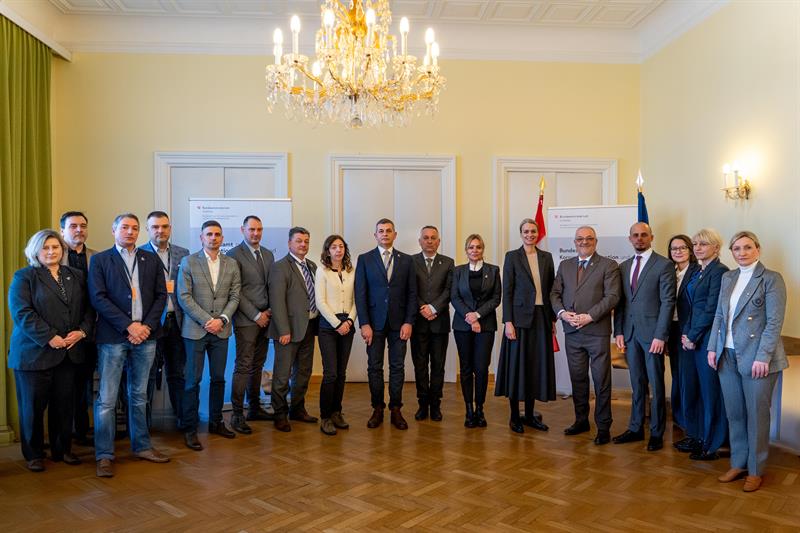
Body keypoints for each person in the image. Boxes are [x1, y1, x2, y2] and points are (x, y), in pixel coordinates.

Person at [88, 213, 169, 477]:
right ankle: (104, 455)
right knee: (108, 399)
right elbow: (98, 298)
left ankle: (142, 446)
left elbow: (160, 296)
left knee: (139, 396)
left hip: (146, 337)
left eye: (135, 228)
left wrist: (145, 327)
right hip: (113, 337)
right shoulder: (100, 260)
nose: (131, 232)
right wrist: (128, 326)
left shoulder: (150, 259)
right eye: (125, 227)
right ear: (114, 231)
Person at [8, 230, 95, 472]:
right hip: (34, 354)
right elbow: (22, 313)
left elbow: (89, 308)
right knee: (33, 409)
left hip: (69, 352)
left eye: (55, 247)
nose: (51, 252)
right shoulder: (24, 277)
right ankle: (34, 454)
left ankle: (62, 450)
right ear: (35, 251)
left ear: (62, 249)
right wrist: (50, 338)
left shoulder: (76, 275)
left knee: (64, 405)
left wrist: (83, 331)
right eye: (45, 247)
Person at [709, 231, 788, 492]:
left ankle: (755, 469)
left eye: (747, 247)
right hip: (727, 355)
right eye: (736, 248)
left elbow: (774, 322)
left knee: (756, 416)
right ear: (731, 252)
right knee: (735, 414)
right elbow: (719, 317)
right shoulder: (727, 277)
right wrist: (713, 348)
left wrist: (763, 356)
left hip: (757, 358)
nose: (742, 252)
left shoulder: (771, 279)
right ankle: (739, 462)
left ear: (758, 249)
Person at [551, 225, 620, 445]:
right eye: (580, 239)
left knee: (601, 381)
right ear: (574, 242)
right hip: (572, 331)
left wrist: (589, 316)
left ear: (595, 241)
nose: (584, 242)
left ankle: (603, 427)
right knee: (578, 379)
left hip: (596, 332)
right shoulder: (565, 265)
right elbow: (554, 293)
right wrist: (562, 313)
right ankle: (581, 420)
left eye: (589, 238)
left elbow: (612, 296)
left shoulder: (608, 265)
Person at [177, 220, 241, 451]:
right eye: (209, 234)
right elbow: (183, 297)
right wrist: (207, 320)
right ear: (201, 238)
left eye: (217, 234)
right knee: (192, 381)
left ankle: (216, 422)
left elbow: (235, 296)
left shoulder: (231, 264)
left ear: (222, 238)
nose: (213, 238)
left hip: (221, 331)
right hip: (195, 331)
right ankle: (190, 428)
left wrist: (221, 320)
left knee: (218, 378)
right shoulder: (189, 262)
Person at [612, 222, 676, 451]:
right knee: (637, 384)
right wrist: (618, 331)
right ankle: (636, 428)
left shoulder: (664, 265)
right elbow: (620, 302)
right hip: (629, 334)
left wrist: (661, 335)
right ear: (630, 239)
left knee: (657, 385)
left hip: (653, 337)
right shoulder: (623, 266)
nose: (639, 239)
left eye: (644, 235)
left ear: (651, 237)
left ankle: (657, 432)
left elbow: (668, 302)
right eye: (635, 235)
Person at [355, 218, 417, 430]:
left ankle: (396, 409)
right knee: (374, 367)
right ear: (375, 235)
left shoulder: (407, 261)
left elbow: (412, 294)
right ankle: (377, 408)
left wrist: (409, 321)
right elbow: (360, 294)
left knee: (397, 367)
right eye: (380, 231)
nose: (385, 234)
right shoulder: (365, 259)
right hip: (374, 324)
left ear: (395, 234)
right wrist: (364, 323)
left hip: (399, 324)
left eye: (388, 231)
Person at [495, 219, 556, 434]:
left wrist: (552, 320)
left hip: (541, 318)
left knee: (534, 367)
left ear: (538, 234)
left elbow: (550, 291)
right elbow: (507, 292)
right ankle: (514, 417)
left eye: (533, 231)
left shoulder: (546, 258)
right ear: (520, 234)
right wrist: (508, 322)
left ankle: (530, 415)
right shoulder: (512, 257)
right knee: (517, 367)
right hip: (518, 321)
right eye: (526, 231)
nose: (530, 234)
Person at [680, 228, 729, 460]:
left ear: (716, 248)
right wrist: (686, 333)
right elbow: (691, 306)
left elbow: (712, 309)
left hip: (707, 339)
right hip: (693, 338)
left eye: (703, 244)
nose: (698, 248)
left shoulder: (720, 271)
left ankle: (713, 444)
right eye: (695, 244)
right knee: (696, 391)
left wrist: (693, 335)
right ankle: (699, 437)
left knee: (711, 393)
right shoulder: (699, 271)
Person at [140, 211, 189, 430]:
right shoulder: (139, 253)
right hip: (150, 325)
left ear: (170, 228)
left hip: (177, 322)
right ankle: (145, 425)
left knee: (177, 373)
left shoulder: (182, 253)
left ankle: (183, 420)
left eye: (165, 226)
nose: (160, 231)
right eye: (155, 227)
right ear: (148, 229)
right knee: (148, 375)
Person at [226, 215, 275, 434]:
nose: (256, 233)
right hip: (247, 320)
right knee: (244, 366)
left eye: (259, 229)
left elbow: (271, 286)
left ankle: (254, 408)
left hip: (267, 318)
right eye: (252, 229)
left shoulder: (267, 254)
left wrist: (269, 312)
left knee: (258, 364)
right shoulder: (233, 255)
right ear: (243, 230)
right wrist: (256, 315)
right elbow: (236, 291)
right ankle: (237, 414)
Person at [268, 227, 319, 432]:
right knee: (282, 374)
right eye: (299, 241)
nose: (303, 245)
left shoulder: (313, 266)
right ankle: (280, 414)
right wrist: (283, 330)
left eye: (306, 241)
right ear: (289, 244)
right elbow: (277, 301)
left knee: (304, 372)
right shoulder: (280, 267)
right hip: (288, 330)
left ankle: (297, 409)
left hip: (310, 326)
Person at [451, 234, 501, 428]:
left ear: (483, 249)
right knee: (466, 369)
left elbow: (496, 298)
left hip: (486, 326)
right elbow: (455, 297)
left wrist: (478, 316)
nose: (474, 250)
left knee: (481, 369)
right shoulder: (457, 271)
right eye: (471, 247)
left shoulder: (493, 270)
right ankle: (468, 410)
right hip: (462, 326)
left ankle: (480, 409)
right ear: (466, 250)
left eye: (478, 247)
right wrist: (470, 317)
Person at [59, 211, 97, 446]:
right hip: (60, 334)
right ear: (62, 229)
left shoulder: (97, 257)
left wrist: (85, 329)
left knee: (84, 384)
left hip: (89, 331)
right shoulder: (52, 255)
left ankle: (81, 432)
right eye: (73, 226)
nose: (79, 230)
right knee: (62, 387)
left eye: (83, 225)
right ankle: (62, 436)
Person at [410, 226, 454, 422]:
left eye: (433, 238)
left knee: (438, 366)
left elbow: (449, 290)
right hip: (418, 323)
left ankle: (435, 405)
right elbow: (410, 290)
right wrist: (423, 308)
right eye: (425, 238)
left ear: (439, 241)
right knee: (420, 365)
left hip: (439, 323)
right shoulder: (411, 261)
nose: (429, 241)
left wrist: (434, 308)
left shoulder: (448, 263)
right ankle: (422, 404)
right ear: (420, 241)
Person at [314, 234, 357, 435]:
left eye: (341, 246)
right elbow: (320, 302)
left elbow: (357, 300)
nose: (338, 250)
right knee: (330, 373)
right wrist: (337, 323)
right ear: (328, 251)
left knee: (341, 373)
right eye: (333, 247)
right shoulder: (321, 271)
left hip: (347, 324)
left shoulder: (351, 271)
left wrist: (349, 321)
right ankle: (325, 417)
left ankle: (337, 412)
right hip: (328, 326)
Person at [667, 234, 699, 442]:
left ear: (690, 250)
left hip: (688, 329)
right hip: (671, 328)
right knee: (676, 373)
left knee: (688, 376)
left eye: (682, 248)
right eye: (674, 249)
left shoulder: (697, 272)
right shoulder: (669, 272)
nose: (678, 251)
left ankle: (690, 420)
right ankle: (678, 416)